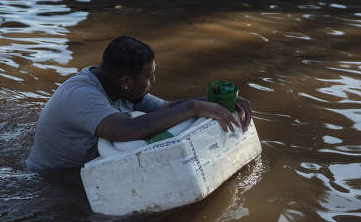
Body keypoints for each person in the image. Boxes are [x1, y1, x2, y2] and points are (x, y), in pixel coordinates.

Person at [25, 36, 252, 171]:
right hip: (51, 181)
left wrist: (218, 102)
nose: (153, 81)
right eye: (149, 76)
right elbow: (126, 130)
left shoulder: (122, 90)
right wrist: (195, 107)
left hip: (86, 171)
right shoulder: (81, 95)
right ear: (126, 81)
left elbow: (167, 109)